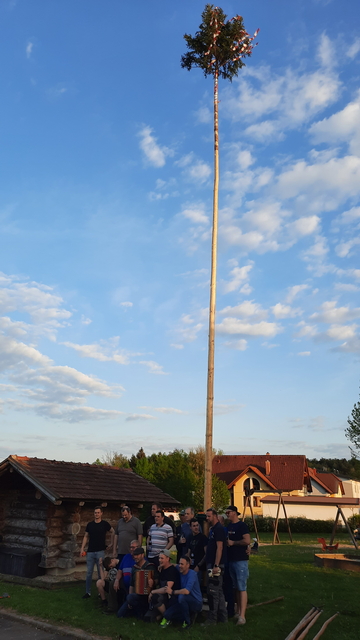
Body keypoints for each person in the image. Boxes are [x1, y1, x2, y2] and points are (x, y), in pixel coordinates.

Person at [80, 506, 114, 599]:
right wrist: (82, 548)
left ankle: (100, 592)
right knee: (89, 572)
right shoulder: (90, 525)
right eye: (95, 513)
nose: (97, 514)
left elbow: (113, 532)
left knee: (100, 572)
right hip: (90, 551)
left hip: (100, 551)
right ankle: (88, 592)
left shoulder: (104, 524)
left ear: (101, 513)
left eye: (98, 512)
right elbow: (86, 536)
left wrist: (111, 543)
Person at [161, 555, 203, 629]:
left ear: (188, 565)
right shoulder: (180, 569)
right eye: (179, 563)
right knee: (167, 613)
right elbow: (173, 565)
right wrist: (162, 565)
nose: (180, 566)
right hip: (184, 600)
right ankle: (185, 617)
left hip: (196, 602)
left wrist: (173, 592)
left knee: (181, 597)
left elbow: (186, 591)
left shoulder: (192, 574)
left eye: (182, 564)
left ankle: (187, 623)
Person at [226, 505, 251, 625]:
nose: (227, 514)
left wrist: (234, 542)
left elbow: (247, 540)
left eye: (229, 512)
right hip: (231, 559)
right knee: (235, 586)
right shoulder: (229, 526)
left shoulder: (242, 525)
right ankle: (238, 611)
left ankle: (242, 616)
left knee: (242, 587)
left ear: (235, 513)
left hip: (241, 560)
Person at [117, 547, 156, 620]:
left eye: (137, 555)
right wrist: (129, 600)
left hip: (148, 596)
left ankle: (140, 612)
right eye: (134, 555)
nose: (135, 557)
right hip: (137, 595)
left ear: (142, 555)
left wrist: (153, 582)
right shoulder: (134, 568)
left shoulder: (150, 566)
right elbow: (131, 585)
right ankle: (136, 610)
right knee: (120, 614)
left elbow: (157, 581)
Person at [203, 508, 227, 625]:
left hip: (215, 565)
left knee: (212, 591)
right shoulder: (212, 529)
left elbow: (220, 547)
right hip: (211, 562)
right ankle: (223, 618)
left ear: (215, 516)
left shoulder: (219, 530)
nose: (207, 518)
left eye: (209, 516)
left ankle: (212, 619)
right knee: (219, 591)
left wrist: (216, 565)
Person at [149, 549, 180, 623]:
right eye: (159, 558)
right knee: (148, 618)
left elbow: (167, 589)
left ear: (168, 558)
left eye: (162, 558)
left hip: (171, 597)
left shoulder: (172, 570)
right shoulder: (162, 569)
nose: (160, 560)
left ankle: (167, 617)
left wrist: (152, 592)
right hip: (163, 596)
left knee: (155, 597)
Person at [188, 518, 207, 587]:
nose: (196, 528)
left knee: (197, 585)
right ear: (190, 527)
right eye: (194, 526)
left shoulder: (203, 538)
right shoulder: (190, 537)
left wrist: (199, 565)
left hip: (199, 566)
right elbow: (188, 551)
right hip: (191, 565)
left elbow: (206, 553)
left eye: (197, 525)